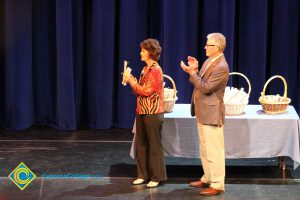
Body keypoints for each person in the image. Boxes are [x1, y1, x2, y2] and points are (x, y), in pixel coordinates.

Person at [180, 33, 229, 196]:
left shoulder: (221, 66)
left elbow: (206, 88)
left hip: (212, 113)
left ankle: (217, 183)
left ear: (218, 47)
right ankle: (208, 177)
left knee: (214, 150)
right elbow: (201, 81)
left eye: (208, 45)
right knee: (205, 149)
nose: (205, 47)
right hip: (203, 112)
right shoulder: (210, 61)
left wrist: (192, 74)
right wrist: (193, 70)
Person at [123, 38, 167, 188]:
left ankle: (157, 176)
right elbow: (139, 91)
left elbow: (147, 91)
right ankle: (142, 174)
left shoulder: (156, 70)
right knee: (141, 144)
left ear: (150, 53)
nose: (140, 53)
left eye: (143, 50)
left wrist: (132, 82)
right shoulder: (144, 69)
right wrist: (132, 80)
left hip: (153, 112)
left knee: (154, 145)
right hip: (141, 110)